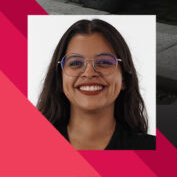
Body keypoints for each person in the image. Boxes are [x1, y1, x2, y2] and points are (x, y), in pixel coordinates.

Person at [36, 19, 155, 150]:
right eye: (75, 63)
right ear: (59, 79)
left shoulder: (151, 147)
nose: (89, 73)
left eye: (104, 62)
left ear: (124, 79)